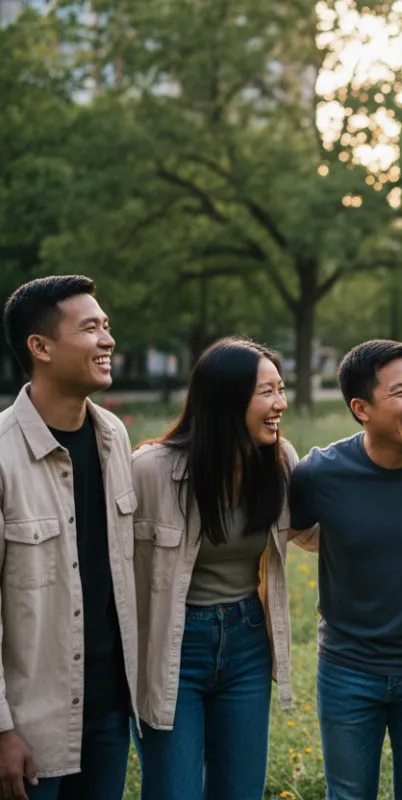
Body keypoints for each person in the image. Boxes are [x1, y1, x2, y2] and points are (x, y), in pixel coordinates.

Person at [288, 340, 402, 800]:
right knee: (348, 795)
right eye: (400, 393)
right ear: (361, 408)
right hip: (347, 669)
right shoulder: (320, 473)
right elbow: (282, 533)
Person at [129, 337, 297, 799]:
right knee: (174, 792)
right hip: (171, 647)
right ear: (226, 399)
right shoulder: (150, 471)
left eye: (281, 389)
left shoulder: (280, 464)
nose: (280, 403)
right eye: (267, 392)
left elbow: (321, 530)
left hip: (246, 643)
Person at [0, 276, 139, 800]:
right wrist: (1, 729)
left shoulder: (114, 437)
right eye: (90, 328)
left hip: (106, 713)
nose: (108, 340)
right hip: (29, 728)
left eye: (107, 327)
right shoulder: (2, 456)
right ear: (40, 347)